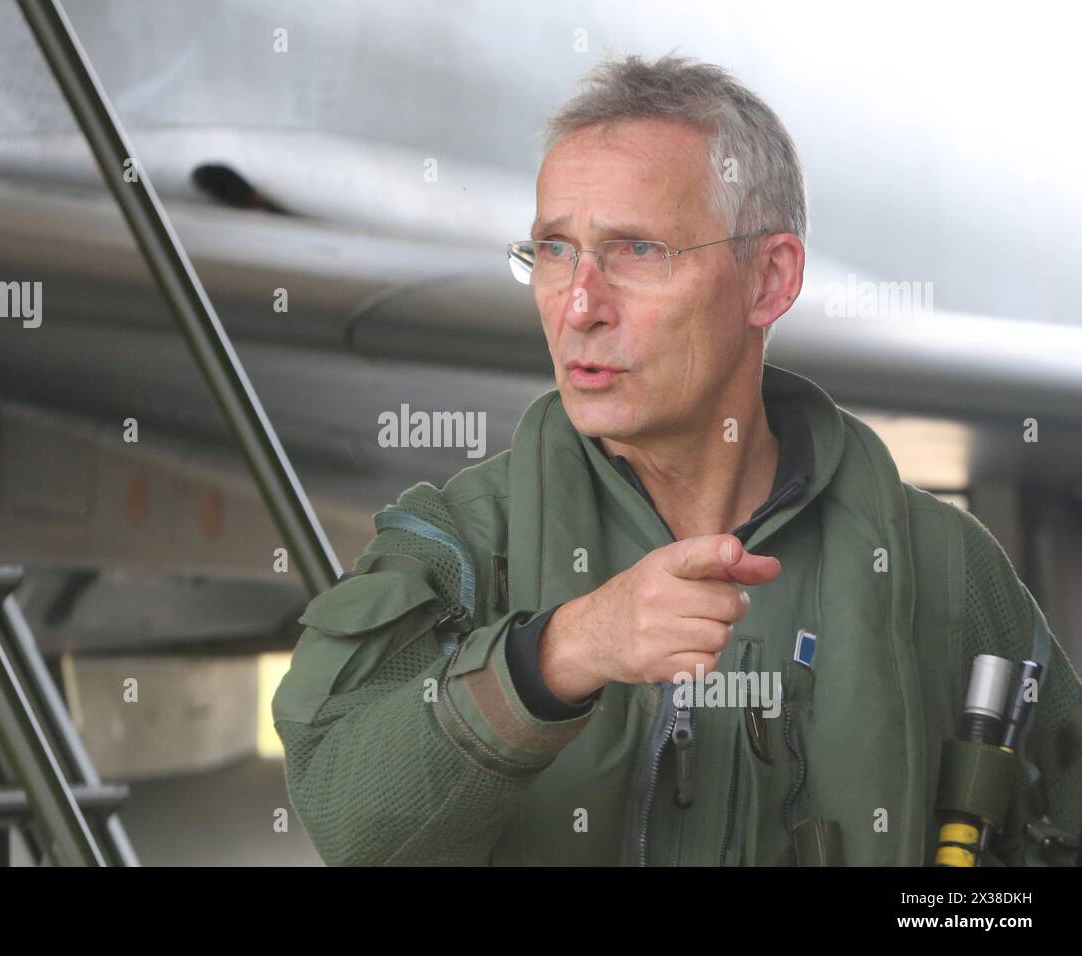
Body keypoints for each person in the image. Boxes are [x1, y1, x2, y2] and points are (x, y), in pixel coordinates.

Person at [272, 53, 1082, 866]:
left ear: (769, 279)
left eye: (637, 252)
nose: (580, 305)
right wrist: (558, 654)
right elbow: (347, 820)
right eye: (554, 251)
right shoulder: (460, 545)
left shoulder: (938, 567)